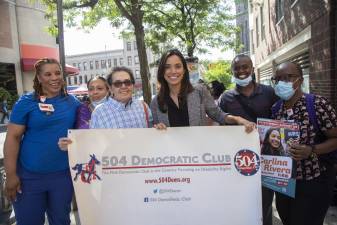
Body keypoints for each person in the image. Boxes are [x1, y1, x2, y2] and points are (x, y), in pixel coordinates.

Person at [3, 58, 80, 225]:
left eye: (58, 73)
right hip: (29, 177)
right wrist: (10, 175)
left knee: (61, 221)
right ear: (38, 77)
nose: (54, 77)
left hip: (62, 176)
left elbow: (85, 132)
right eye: (48, 74)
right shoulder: (26, 102)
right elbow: (12, 137)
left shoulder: (73, 102)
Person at [272, 61, 337, 225]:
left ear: (300, 80)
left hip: (314, 181)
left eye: (288, 78)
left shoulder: (317, 104)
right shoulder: (276, 108)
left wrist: (311, 150)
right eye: (277, 79)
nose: (282, 83)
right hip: (284, 182)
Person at [218, 54, 278, 225]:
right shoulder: (226, 97)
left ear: (252, 68)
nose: (241, 71)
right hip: (240, 161)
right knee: (242, 202)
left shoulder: (269, 92)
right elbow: (222, 126)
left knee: (265, 203)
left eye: (245, 67)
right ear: (232, 71)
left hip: (267, 159)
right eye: (237, 68)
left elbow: (279, 120)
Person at [150, 49, 255, 131]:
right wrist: (157, 129)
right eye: (167, 67)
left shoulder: (199, 91)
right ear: (162, 71)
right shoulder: (156, 103)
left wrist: (238, 119)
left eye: (178, 66)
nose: (173, 71)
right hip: (173, 156)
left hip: (199, 154)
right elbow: (154, 132)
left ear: (184, 70)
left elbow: (218, 114)